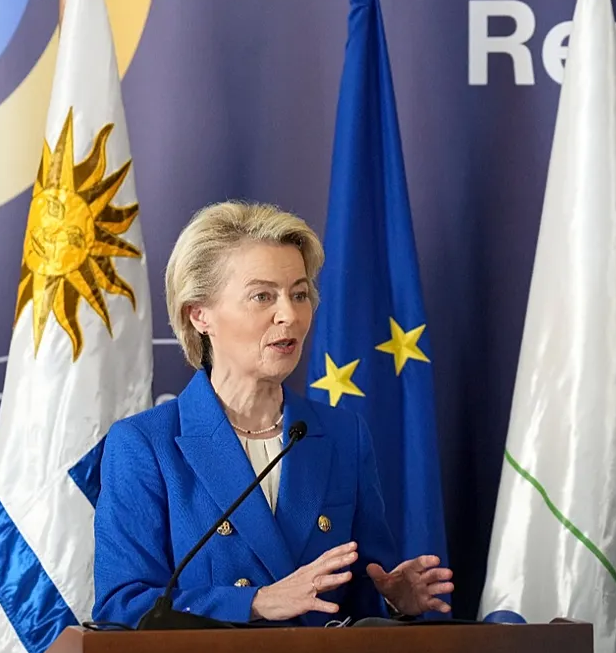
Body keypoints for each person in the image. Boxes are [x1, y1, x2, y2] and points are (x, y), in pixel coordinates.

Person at [93, 201, 453, 626]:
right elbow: (124, 606)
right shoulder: (144, 444)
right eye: (262, 296)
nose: (290, 315)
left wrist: (392, 600)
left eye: (299, 294)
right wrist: (256, 602)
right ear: (200, 315)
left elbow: (355, 594)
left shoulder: (343, 435)